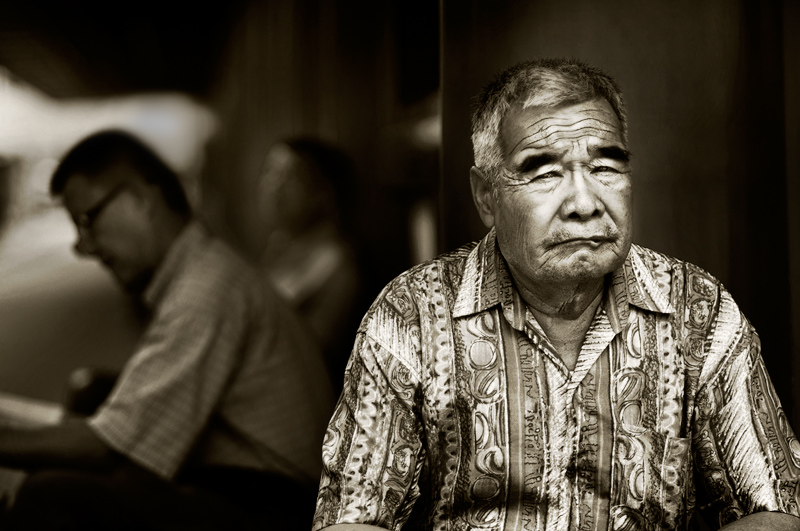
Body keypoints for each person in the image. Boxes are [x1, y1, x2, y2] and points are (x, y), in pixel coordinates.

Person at [311, 59, 800, 530]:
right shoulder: (413, 315)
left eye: (606, 168)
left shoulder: (698, 311)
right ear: (486, 196)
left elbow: (777, 509)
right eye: (544, 172)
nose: (585, 204)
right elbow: (354, 519)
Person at [0, 129, 334, 530]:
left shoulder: (205, 289)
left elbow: (110, 448)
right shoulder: (203, 269)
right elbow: (127, 420)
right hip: (249, 479)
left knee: (51, 495)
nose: (83, 247)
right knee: (92, 394)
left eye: (87, 220)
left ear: (141, 199)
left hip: (279, 508)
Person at [257, 138, 363, 385]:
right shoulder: (278, 248)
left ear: (323, 192)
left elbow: (312, 352)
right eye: (270, 171)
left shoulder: (338, 264)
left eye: (291, 176)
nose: (275, 185)